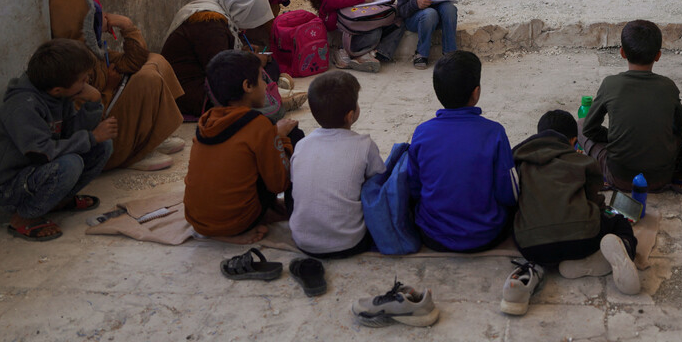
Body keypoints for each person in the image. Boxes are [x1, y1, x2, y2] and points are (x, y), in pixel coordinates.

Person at [0, 39, 117, 241]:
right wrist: (91, 137)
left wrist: (93, 104)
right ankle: (24, 216)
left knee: (103, 146)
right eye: (83, 79)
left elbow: (70, 133)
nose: (87, 82)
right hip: (8, 188)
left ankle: (58, 201)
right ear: (57, 89)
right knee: (71, 163)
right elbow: (42, 152)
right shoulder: (23, 106)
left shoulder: (58, 95)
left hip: (36, 173)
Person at [509, 109, 640, 313]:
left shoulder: (518, 159)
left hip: (532, 248)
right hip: (583, 241)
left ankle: (544, 265)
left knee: (521, 221)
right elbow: (595, 201)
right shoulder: (582, 162)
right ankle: (623, 248)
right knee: (618, 220)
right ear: (573, 141)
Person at [48, 0, 185, 171]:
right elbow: (86, 121)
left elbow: (133, 61)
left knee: (154, 60)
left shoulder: (92, 52)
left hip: (112, 114)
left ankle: (152, 136)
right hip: (103, 141)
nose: (104, 18)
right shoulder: (70, 68)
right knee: (147, 79)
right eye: (96, 17)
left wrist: (127, 26)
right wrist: (109, 89)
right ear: (81, 25)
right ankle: (135, 152)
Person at [183, 50, 300, 243]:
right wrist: (279, 138)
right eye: (261, 79)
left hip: (198, 220)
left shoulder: (206, 121)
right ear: (247, 86)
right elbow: (279, 183)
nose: (265, 85)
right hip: (237, 223)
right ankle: (295, 211)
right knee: (294, 135)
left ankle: (238, 220)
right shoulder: (259, 125)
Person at [407, 51, 515, 252]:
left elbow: (413, 188)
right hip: (486, 236)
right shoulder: (494, 132)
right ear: (476, 92)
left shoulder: (422, 132)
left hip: (433, 235)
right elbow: (507, 194)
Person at [577, 20, 682, 192]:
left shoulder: (610, 84)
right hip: (662, 177)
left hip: (620, 177)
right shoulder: (669, 86)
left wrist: (613, 136)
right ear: (658, 55)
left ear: (622, 52)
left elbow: (589, 129)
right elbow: (680, 129)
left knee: (580, 124)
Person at [288, 71, 385, 258]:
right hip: (350, 243)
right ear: (350, 116)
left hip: (303, 242)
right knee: (373, 184)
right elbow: (380, 180)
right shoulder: (365, 145)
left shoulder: (302, 145)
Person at [161, 0, 277, 118]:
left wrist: (242, 53)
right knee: (255, 80)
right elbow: (222, 72)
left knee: (268, 67)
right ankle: (271, 100)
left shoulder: (217, 11)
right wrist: (253, 60)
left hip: (201, 78)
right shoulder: (211, 24)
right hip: (190, 92)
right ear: (244, 12)